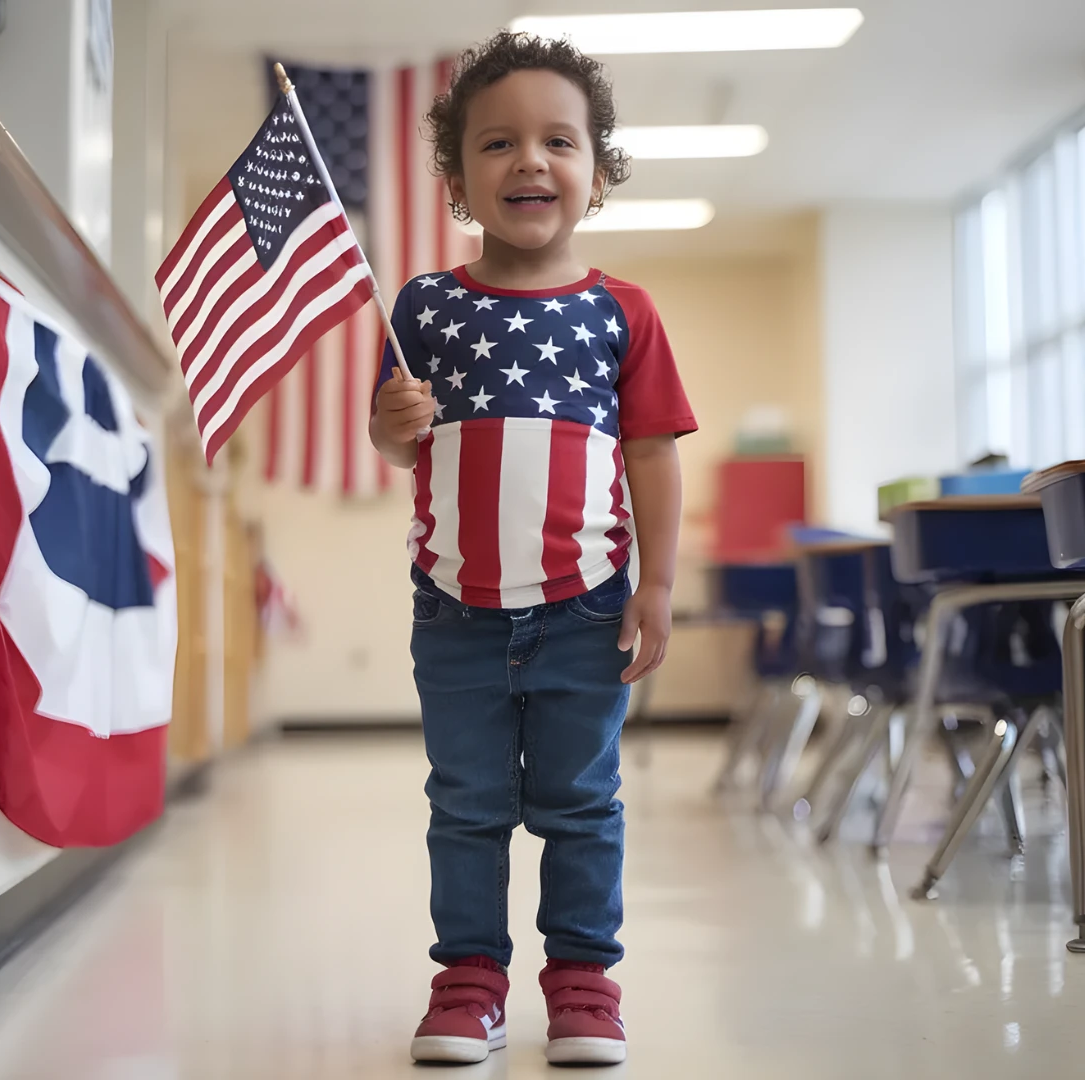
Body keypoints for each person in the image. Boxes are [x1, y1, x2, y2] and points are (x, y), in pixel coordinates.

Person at [368, 30, 696, 1068]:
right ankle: (468, 982)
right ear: (460, 179)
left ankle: (584, 983)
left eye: (559, 141)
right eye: (497, 144)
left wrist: (659, 589)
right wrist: (393, 426)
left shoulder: (620, 313)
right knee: (465, 804)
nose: (529, 161)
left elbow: (651, 456)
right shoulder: (424, 306)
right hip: (454, 611)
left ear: (596, 175)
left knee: (581, 804)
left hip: (589, 606)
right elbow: (390, 444)